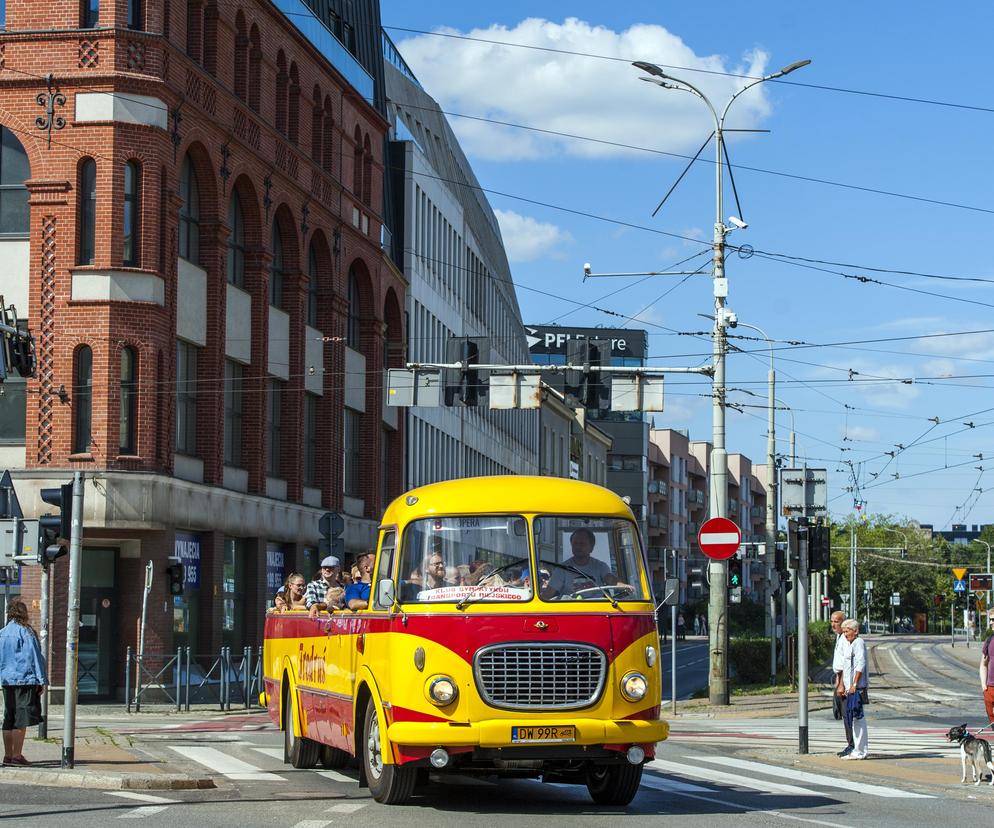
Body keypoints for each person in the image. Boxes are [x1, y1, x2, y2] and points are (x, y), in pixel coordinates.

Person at [0, 599, 47, 766]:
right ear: (24, 613)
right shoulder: (26, 632)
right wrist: (41, 680)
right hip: (24, 680)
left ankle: (7, 755)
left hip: (6, 681)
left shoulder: (2, 632)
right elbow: (34, 657)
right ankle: (17, 755)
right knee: (21, 718)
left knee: (9, 717)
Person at [546, 528, 615, 596]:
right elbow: (548, 594)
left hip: (597, 606)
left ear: (591, 547)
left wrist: (624, 586)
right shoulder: (561, 569)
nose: (578, 547)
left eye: (582, 544)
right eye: (575, 543)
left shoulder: (601, 567)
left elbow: (611, 580)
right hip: (572, 606)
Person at [839, 618, 869, 760]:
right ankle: (857, 749)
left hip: (856, 688)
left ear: (855, 631)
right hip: (850, 688)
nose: (845, 634)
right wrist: (845, 685)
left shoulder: (858, 643)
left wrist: (854, 684)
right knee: (854, 718)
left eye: (847, 631)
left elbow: (860, 664)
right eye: (844, 631)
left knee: (858, 717)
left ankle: (860, 751)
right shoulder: (851, 644)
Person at [831, 610, 855, 757]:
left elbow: (845, 663)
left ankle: (852, 745)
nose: (834, 624)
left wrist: (841, 683)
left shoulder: (845, 639)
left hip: (845, 683)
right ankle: (850, 744)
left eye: (837, 622)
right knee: (842, 713)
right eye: (832, 621)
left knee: (848, 714)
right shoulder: (839, 637)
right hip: (841, 681)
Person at [981, 609, 994, 724]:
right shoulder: (989, 640)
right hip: (990, 689)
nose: (991, 623)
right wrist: (984, 686)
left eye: (993, 620)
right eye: (990, 620)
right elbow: (984, 664)